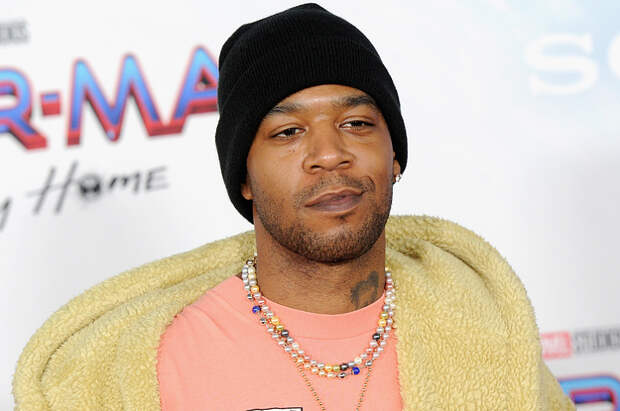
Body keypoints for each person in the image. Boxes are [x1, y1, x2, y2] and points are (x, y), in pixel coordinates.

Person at [13, 3, 575, 410]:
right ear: (243, 178)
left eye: (357, 123)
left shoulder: (486, 333)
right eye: (287, 132)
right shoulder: (148, 364)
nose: (330, 154)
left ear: (395, 158)